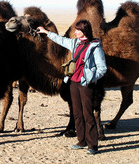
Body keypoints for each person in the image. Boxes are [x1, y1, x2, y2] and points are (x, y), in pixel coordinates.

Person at [37, 19, 107, 155]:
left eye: (77, 30)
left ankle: (92, 145)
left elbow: (102, 68)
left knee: (88, 114)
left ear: (84, 31)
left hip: (86, 84)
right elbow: (60, 40)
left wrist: (89, 78)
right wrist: (46, 32)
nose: (75, 32)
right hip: (73, 83)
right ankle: (81, 141)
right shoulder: (75, 43)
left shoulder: (95, 47)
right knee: (77, 114)